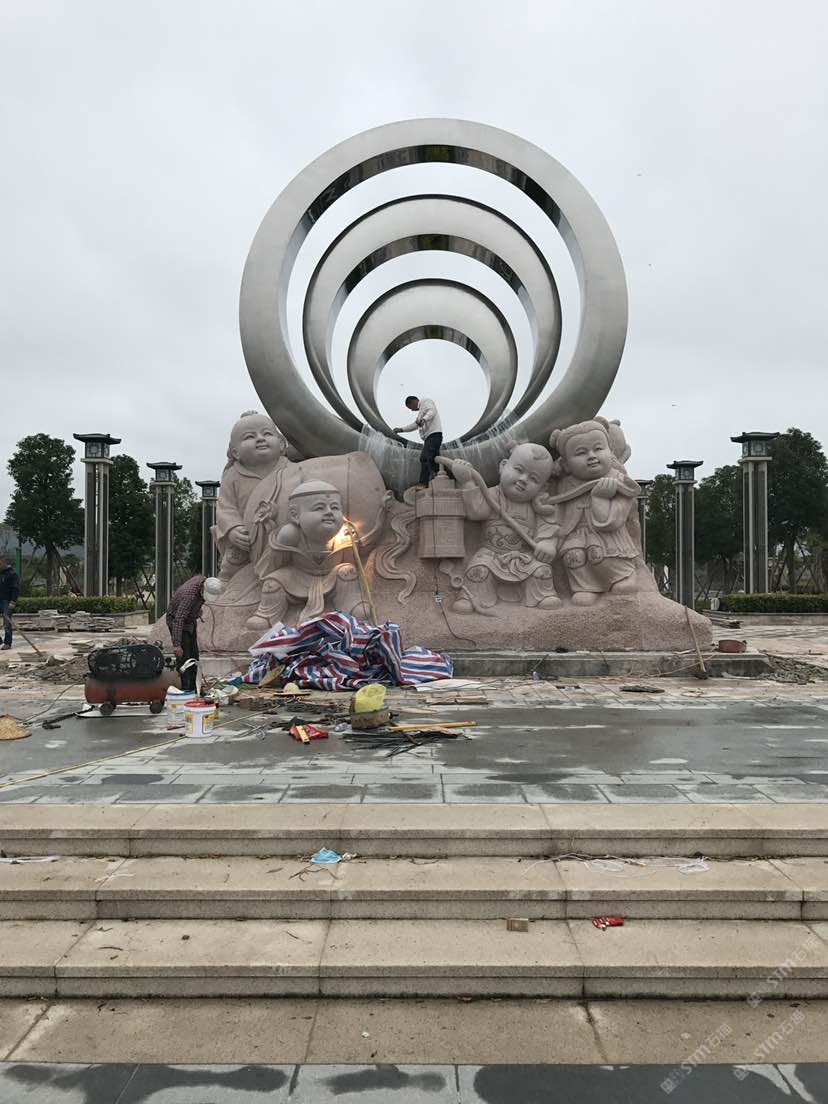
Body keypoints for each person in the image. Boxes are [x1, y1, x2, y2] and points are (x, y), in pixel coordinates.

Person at [447, 444, 561, 612]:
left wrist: (547, 543)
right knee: (479, 569)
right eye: (519, 470)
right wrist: (467, 482)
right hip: (491, 554)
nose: (523, 479)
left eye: (534, 479)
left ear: (543, 487)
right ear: (503, 466)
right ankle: (471, 598)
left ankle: (542, 595)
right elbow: (477, 512)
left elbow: (548, 526)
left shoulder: (539, 506)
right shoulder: (491, 495)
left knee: (541, 570)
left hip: (524, 556)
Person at [549, 418, 640, 606]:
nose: (591, 456)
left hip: (607, 536)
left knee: (597, 552)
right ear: (566, 464)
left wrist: (600, 499)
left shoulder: (617, 480)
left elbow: (616, 519)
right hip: (576, 533)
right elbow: (560, 514)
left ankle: (622, 577)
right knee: (573, 555)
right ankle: (584, 586)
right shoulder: (566, 485)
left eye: (598, 449)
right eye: (581, 453)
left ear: (610, 451)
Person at [213, 411, 290, 591]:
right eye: (250, 436)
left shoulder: (293, 470)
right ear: (235, 452)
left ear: (281, 444)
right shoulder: (233, 477)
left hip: (283, 534)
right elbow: (226, 507)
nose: (260, 439)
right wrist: (233, 529)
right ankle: (226, 582)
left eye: (267, 433)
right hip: (248, 537)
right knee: (235, 555)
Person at [166, 574, 206, 691]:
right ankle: (184, 688)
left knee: (194, 656)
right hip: (178, 623)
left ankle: (194, 687)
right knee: (184, 658)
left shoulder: (202, 582)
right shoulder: (188, 597)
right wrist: (177, 645)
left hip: (190, 622)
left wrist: (196, 610)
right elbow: (178, 620)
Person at [393, 396, 443, 487]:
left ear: (413, 402)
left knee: (424, 458)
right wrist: (401, 429)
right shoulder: (421, 412)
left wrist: (424, 419)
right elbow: (415, 425)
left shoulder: (425, 402)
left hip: (433, 435)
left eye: (410, 407)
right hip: (430, 437)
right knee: (433, 459)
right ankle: (440, 477)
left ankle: (423, 483)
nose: (412, 410)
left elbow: (432, 411)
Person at [0, 556, 20, 650]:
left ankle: (7, 643)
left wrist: (13, 601)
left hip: (6, 601)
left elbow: (15, 589)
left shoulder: (12, 574)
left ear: (4, 563)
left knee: (7, 622)